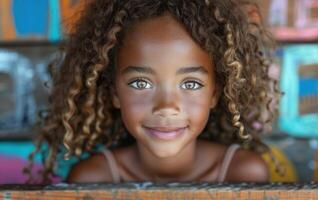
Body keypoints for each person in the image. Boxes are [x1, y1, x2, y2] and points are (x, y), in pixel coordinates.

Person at [26, 0, 279, 184]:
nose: (167, 106)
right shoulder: (94, 179)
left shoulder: (242, 174)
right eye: (141, 83)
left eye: (190, 84)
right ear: (114, 93)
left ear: (215, 94)